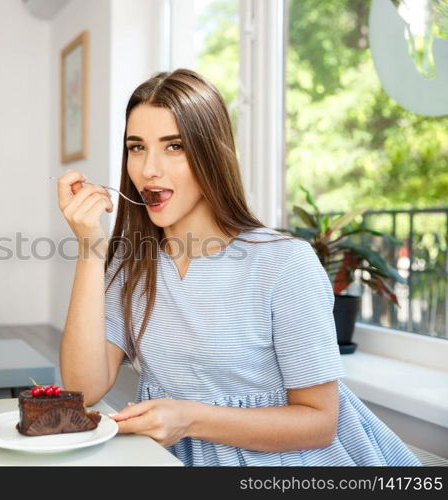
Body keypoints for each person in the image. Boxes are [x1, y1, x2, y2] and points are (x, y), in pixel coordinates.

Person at [55, 68, 422, 466]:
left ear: (211, 152)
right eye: (137, 147)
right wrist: (90, 246)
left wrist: (190, 418)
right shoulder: (133, 268)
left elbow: (320, 422)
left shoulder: (284, 263)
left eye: (174, 146)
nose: (148, 169)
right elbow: (82, 388)